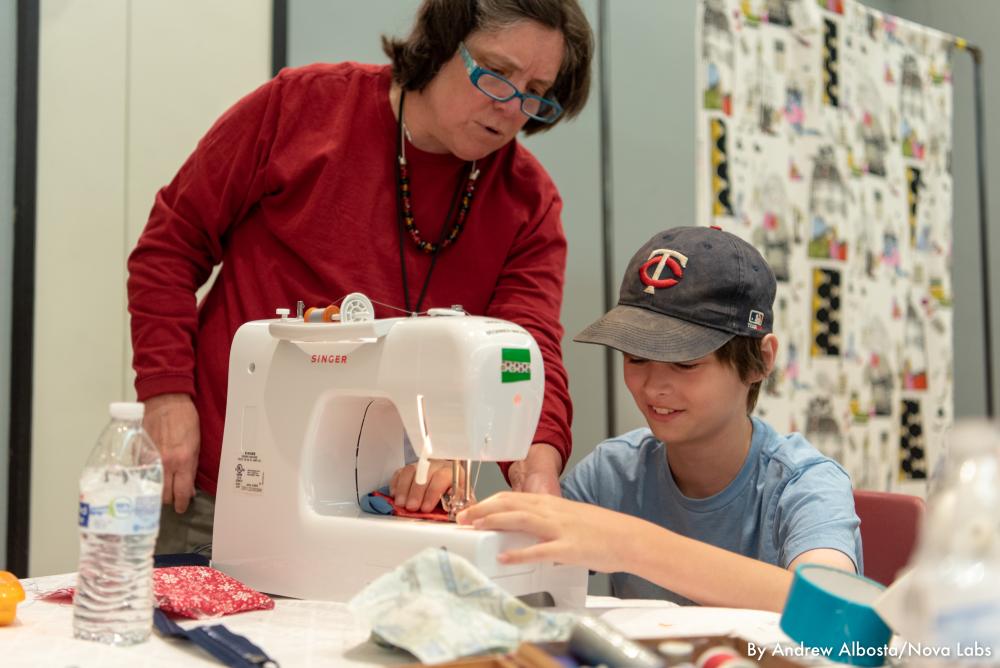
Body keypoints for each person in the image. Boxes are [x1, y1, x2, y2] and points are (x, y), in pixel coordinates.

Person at [127, 0, 594, 553]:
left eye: (536, 92)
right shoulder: (302, 108)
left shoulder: (527, 201)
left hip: (375, 509)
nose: (512, 109)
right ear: (442, 45)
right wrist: (166, 395)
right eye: (496, 75)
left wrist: (536, 466)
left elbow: (526, 349)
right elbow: (169, 249)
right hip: (220, 484)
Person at [458, 226, 863, 612]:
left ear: (762, 360)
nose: (654, 387)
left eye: (686, 363)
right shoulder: (613, 472)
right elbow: (517, 571)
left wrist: (629, 544)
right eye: (635, 358)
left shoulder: (805, 483)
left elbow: (831, 607)